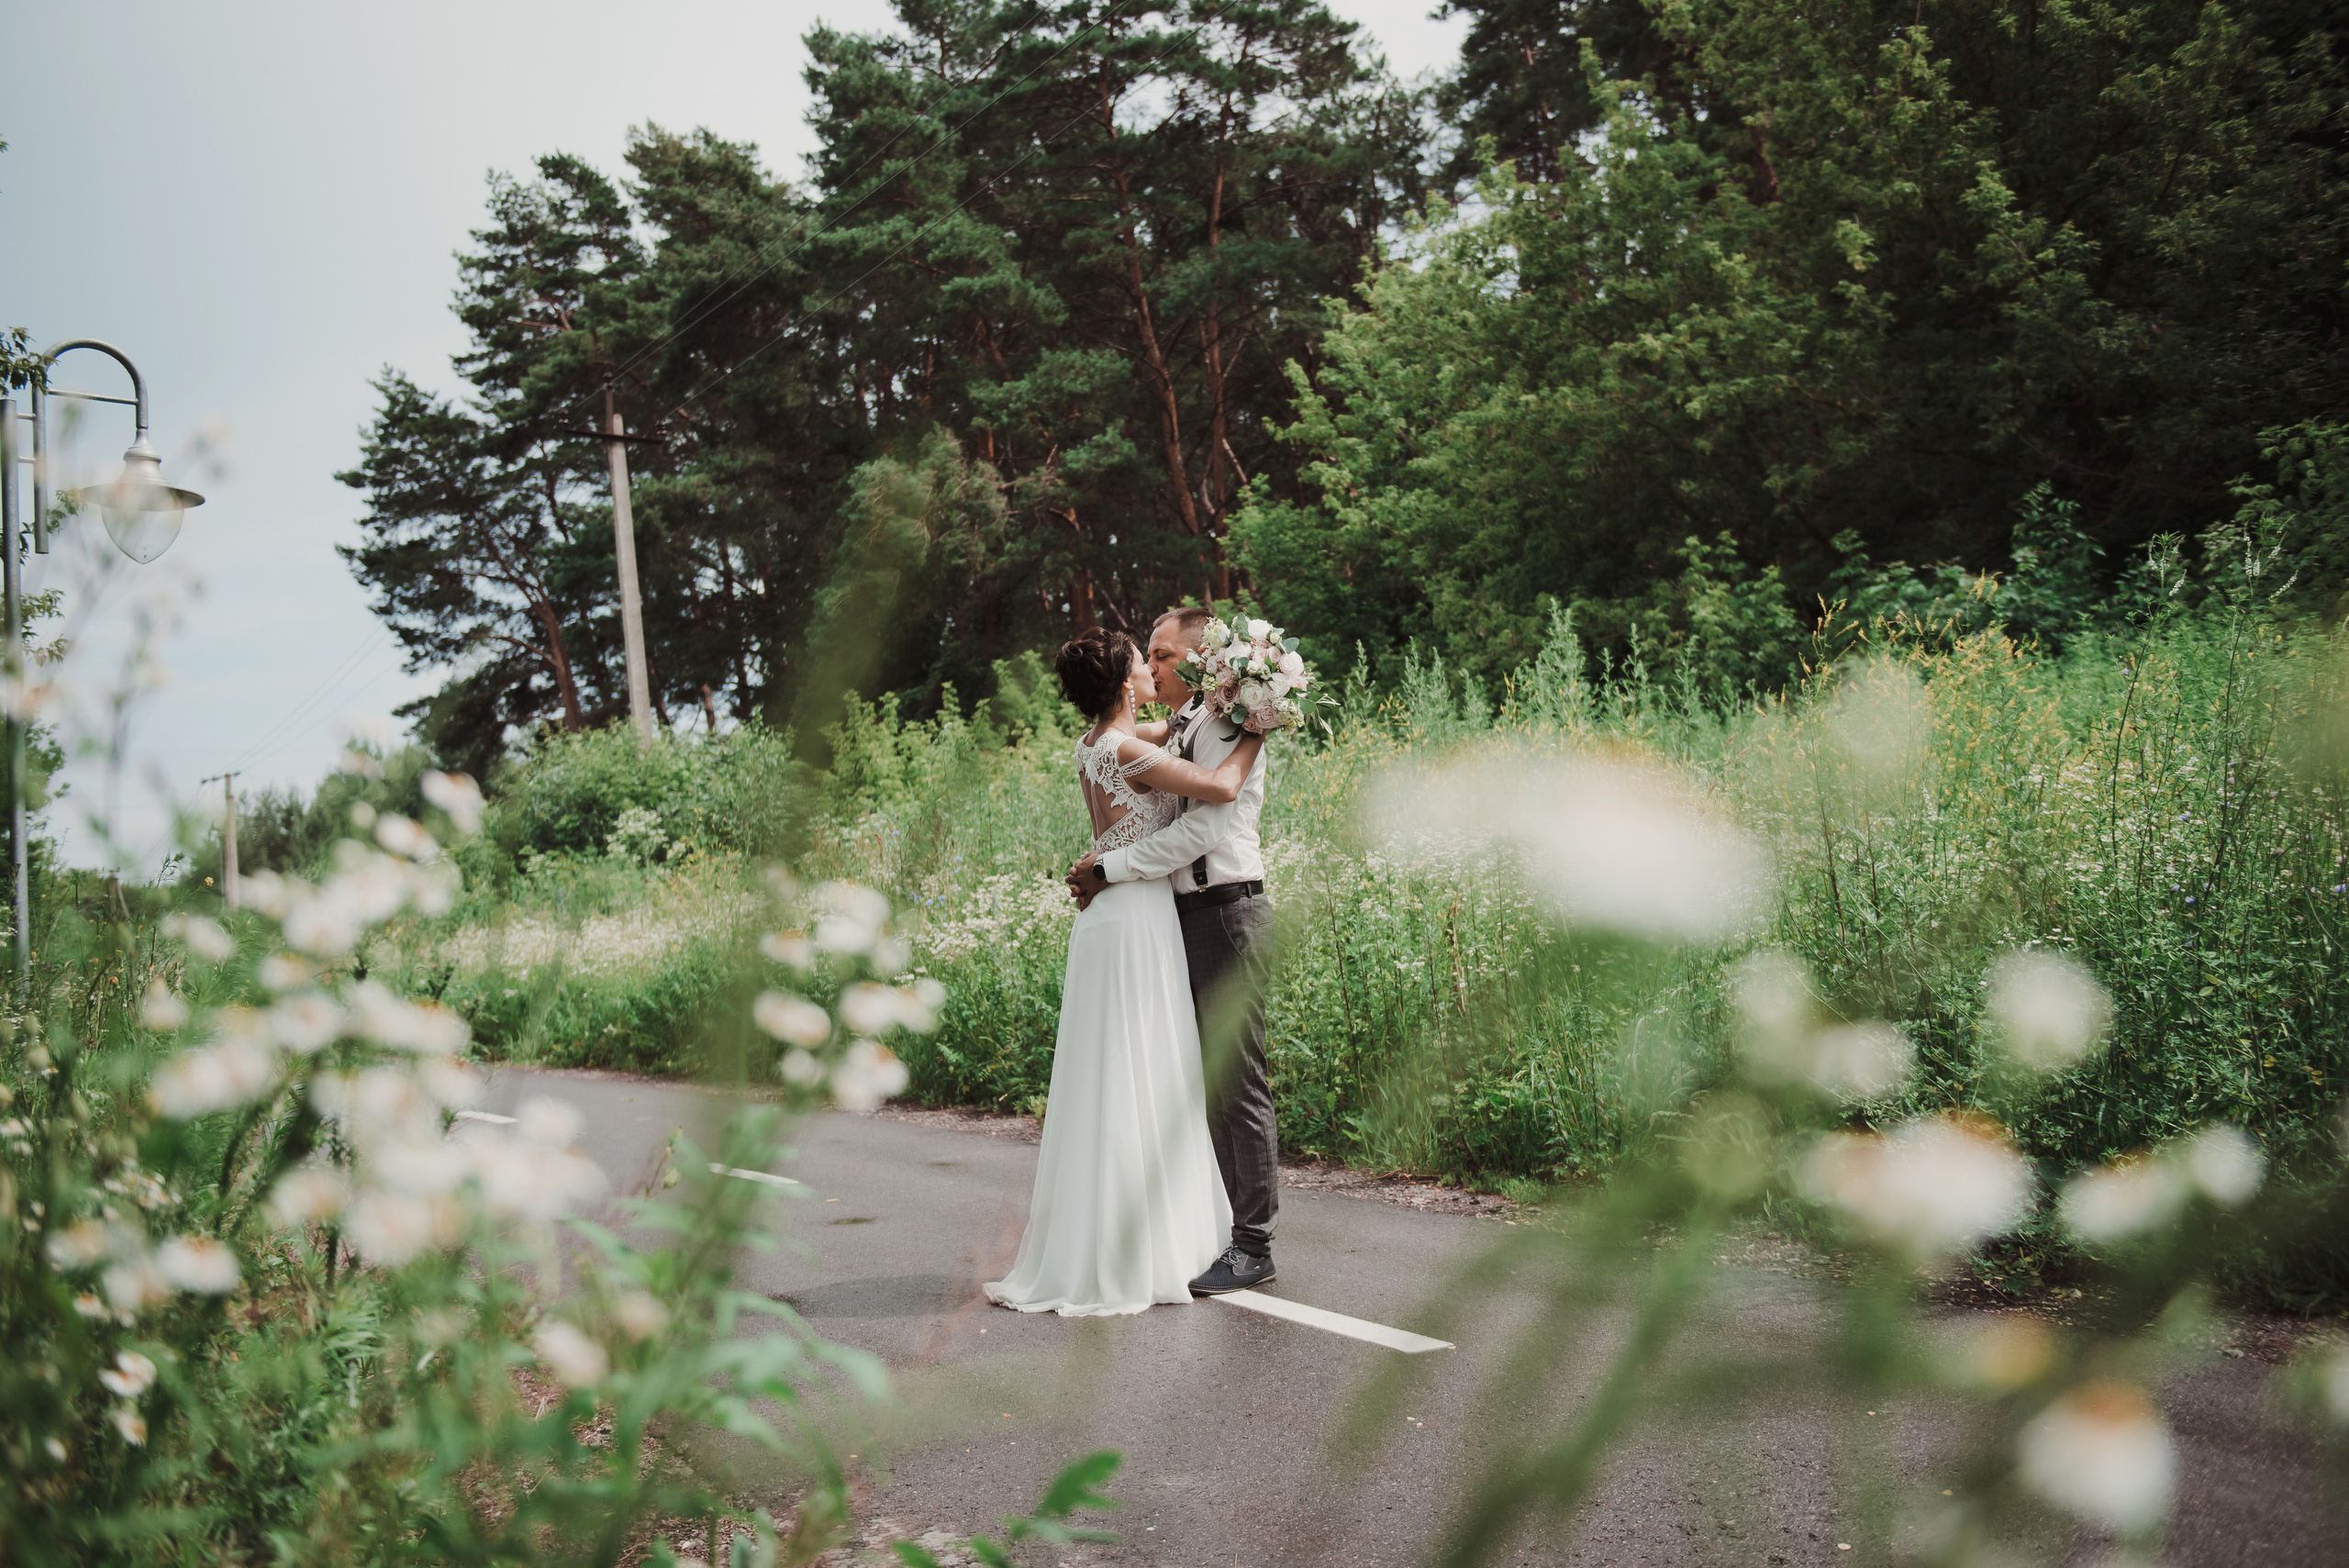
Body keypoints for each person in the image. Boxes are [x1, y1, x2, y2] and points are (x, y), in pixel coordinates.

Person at [983, 627, 1266, 1316]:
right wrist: (1262, 718)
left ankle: (1111, 1240)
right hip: (1136, 917)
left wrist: (1211, 703)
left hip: (1113, 920)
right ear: (1120, 683)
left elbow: (1168, 725)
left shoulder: (1098, 743)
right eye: (1144, 661)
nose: (1152, 666)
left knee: (1119, 1076)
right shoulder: (1131, 749)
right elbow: (1221, 785)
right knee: (1145, 1071)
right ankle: (1148, 1245)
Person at [1066, 606, 1278, 1296]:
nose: (1152, 666)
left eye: (1161, 654)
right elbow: (1125, 751)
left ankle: (1254, 1244)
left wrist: (1110, 866)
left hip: (1226, 906)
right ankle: (1216, 1229)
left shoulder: (1224, 728)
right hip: (1178, 915)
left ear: (1196, 657)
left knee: (1236, 1078)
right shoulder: (1185, 725)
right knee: (1197, 1075)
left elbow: (1204, 825)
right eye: (1145, 658)